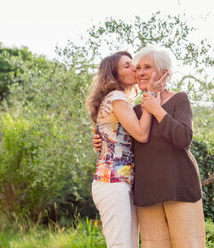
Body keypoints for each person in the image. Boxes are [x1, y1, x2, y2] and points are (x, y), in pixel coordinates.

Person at [93, 47, 206, 248]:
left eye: (147, 67)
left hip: (179, 187)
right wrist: (98, 140)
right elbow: (120, 138)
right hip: (147, 195)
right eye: (138, 68)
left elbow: (184, 138)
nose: (141, 72)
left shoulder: (179, 99)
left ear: (163, 73)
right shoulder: (135, 110)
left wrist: (156, 108)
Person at [87, 51, 168, 248]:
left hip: (121, 183)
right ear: (115, 75)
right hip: (112, 183)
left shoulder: (120, 100)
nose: (135, 69)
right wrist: (150, 95)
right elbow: (141, 134)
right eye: (127, 66)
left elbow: (110, 135)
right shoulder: (116, 97)